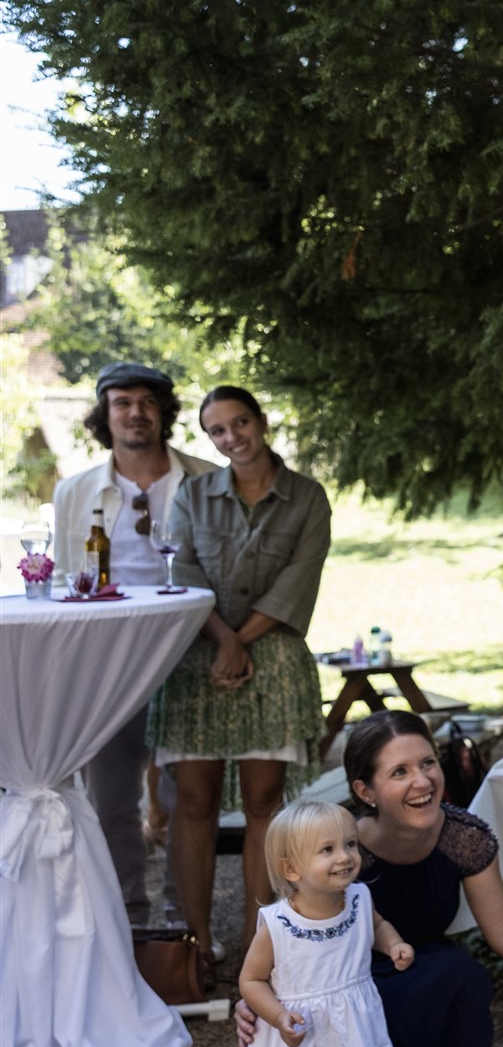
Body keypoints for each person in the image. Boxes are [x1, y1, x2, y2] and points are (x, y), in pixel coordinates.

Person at [235, 710, 503, 1047]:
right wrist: (265, 998)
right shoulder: (333, 852)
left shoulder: (462, 837)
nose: (422, 781)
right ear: (366, 791)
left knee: (461, 976)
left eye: (428, 763)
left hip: (415, 963)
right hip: (343, 978)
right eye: (399, 772)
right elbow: (289, 930)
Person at [150, 385, 331, 959]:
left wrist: (241, 640)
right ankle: (196, 944)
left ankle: (263, 942)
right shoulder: (193, 494)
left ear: (261, 421)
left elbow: (298, 581)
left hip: (272, 657)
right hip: (197, 654)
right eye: (218, 431)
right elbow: (183, 567)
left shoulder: (307, 496)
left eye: (240, 423)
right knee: (194, 801)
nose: (233, 438)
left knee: (264, 803)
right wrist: (223, 640)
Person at [51, 360, 217, 925]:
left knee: (189, 800)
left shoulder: (204, 480)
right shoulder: (75, 492)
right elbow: (61, 582)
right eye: (121, 403)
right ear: (105, 415)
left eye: (146, 402)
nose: (134, 413)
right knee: (111, 801)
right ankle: (128, 922)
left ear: (163, 413)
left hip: (188, 654)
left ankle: (183, 927)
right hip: (105, 659)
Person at [239, 800, 413, 1047]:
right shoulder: (278, 925)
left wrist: (393, 944)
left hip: (356, 1025)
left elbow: (376, 926)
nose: (344, 857)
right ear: (291, 869)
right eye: (327, 849)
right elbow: (251, 980)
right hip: (301, 1035)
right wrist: (277, 1016)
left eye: (350, 844)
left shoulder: (360, 898)